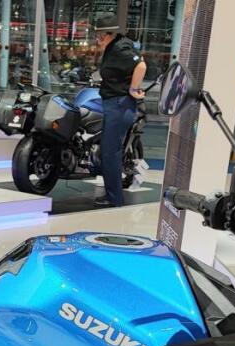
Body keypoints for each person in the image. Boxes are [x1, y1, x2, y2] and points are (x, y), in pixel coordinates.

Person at [93, 15, 146, 207]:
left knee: (110, 152)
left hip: (119, 104)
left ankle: (114, 197)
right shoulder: (116, 46)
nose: (97, 40)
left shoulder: (119, 48)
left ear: (108, 35)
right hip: (114, 103)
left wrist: (133, 88)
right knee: (109, 150)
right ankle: (112, 194)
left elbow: (141, 65)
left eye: (100, 36)